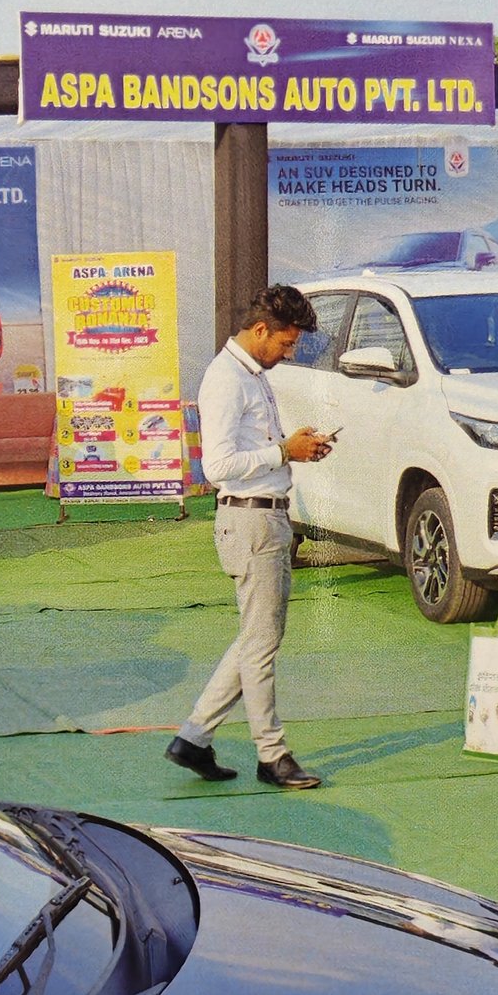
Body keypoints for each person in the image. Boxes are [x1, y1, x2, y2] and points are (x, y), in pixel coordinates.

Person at [169, 285, 336, 790]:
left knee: (256, 638)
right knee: (261, 643)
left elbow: (256, 450)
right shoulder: (227, 379)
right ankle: (272, 755)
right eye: (286, 343)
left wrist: (294, 448)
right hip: (251, 520)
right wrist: (284, 452)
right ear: (260, 330)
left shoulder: (249, 375)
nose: (290, 353)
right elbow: (217, 466)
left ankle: (194, 738)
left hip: (263, 518)